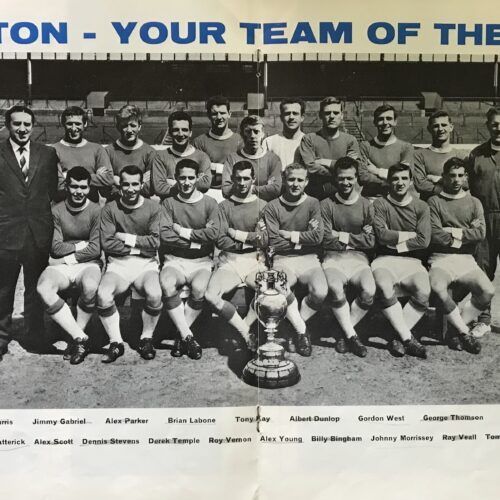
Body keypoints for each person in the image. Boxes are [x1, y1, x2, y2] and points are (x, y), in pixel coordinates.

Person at [0, 105, 58, 360]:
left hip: (37, 232)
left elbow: (52, 191)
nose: (22, 129)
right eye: (17, 124)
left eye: (27, 124)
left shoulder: (47, 154)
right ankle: (1, 337)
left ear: (33, 126)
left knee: (35, 288)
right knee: (4, 289)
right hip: (6, 232)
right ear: (7, 126)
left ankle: (35, 335)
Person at [36, 167, 102, 364]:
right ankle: (79, 338)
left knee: (90, 286)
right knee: (43, 288)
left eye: (83, 187)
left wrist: (67, 257)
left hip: (87, 264)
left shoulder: (96, 211)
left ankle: (76, 340)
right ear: (66, 186)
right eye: (74, 187)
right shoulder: (56, 210)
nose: (78, 192)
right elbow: (55, 247)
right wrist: (82, 245)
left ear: (89, 188)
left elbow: (95, 249)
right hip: (62, 266)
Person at [97, 165, 162, 362]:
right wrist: (139, 247)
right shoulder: (110, 208)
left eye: (135, 184)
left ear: (142, 185)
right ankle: (116, 342)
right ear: (120, 186)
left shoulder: (153, 207)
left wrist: (125, 237)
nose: (131, 189)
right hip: (118, 264)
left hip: (145, 264)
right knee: (103, 295)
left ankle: (146, 338)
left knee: (155, 294)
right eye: (126, 184)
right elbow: (107, 243)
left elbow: (155, 242)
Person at [428, 158, 491, 354]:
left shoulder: (474, 202)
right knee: (438, 287)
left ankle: (456, 329)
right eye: (452, 175)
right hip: (440, 258)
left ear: (466, 177)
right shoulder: (434, 201)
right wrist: (465, 233)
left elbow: (480, 234)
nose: (456, 180)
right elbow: (435, 234)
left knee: (487, 291)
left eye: (460, 175)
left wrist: (451, 231)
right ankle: (464, 332)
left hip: (466, 259)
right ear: (444, 177)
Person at [263, 163, 327, 356]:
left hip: (309, 258)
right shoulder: (272, 206)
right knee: (278, 286)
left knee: (320, 292)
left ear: (306, 182)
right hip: (282, 259)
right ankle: (301, 331)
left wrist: (290, 235)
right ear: (284, 180)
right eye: (291, 179)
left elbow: (317, 237)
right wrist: (303, 238)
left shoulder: (313, 203)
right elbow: (274, 242)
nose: (295, 184)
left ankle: (295, 327)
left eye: (300, 180)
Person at [205, 160, 268, 351]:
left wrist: (237, 235)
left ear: (253, 179)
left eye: (246, 178)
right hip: (230, 261)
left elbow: (265, 240)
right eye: (238, 179)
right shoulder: (224, 206)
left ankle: (244, 330)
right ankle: (245, 333)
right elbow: (221, 240)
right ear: (232, 179)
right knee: (210, 296)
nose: (242, 183)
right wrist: (250, 239)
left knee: (268, 291)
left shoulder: (263, 205)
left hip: (255, 260)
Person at [160, 159, 218, 360]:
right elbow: (165, 235)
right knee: (166, 284)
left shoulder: (209, 203)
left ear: (198, 178)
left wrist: (181, 231)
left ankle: (180, 336)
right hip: (174, 259)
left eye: (190, 178)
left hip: (202, 261)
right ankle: (187, 336)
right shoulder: (168, 203)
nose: (186, 182)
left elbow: (213, 234)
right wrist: (196, 241)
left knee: (199, 289)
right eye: (182, 178)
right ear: (176, 178)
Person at [372, 163, 430, 359]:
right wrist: (409, 235)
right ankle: (407, 337)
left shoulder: (421, 206)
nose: (400, 182)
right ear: (389, 181)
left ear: (411, 181)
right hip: (384, 259)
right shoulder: (380, 204)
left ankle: (397, 336)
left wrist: (396, 243)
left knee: (424, 291)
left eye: (404, 178)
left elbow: (423, 240)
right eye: (395, 179)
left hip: (412, 261)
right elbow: (381, 236)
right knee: (383, 285)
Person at [320, 157, 375, 357]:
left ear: (357, 178)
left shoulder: (366, 205)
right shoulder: (326, 204)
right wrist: (357, 237)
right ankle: (352, 336)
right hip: (333, 258)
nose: (345, 182)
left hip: (359, 259)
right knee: (335, 288)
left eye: (350, 178)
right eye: (341, 178)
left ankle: (344, 332)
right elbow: (326, 239)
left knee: (369, 291)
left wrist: (341, 236)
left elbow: (371, 241)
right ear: (335, 179)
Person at [467, 106, 500, 337]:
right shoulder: (476, 154)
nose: (499, 128)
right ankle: (483, 319)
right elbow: (466, 187)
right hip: (485, 218)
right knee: (483, 270)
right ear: (488, 126)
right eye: (495, 124)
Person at [296, 96, 359, 200]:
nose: (332, 116)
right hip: (316, 196)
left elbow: (354, 168)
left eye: (336, 113)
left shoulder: (351, 140)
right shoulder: (308, 139)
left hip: (344, 196)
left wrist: (325, 162)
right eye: (327, 113)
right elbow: (310, 167)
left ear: (342, 115)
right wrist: (341, 172)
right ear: (320, 115)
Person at [53, 106, 114, 202]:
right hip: (63, 206)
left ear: (85, 124)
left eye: (78, 124)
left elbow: (109, 179)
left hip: (91, 206)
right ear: (63, 124)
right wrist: (94, 176)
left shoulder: (97, 149)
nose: (74, 128)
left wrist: (67, 175)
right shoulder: (53, 150)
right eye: (69, 124)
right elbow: (57, 184)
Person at [151, 111, 211, 199]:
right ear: (170, 132)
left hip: (194, 205)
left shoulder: (202, 157)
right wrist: (193, 181)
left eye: (184, 130)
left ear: (190, 132)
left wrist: (173, 183)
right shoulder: (160, 157)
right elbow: (159, 189)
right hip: (169, 206)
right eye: (176, 130)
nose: (180, 134)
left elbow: (205, 185)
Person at [221, 115, 282, 202]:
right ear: (242, 134)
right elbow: (226, 190)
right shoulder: (232, 158)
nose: (252, 136)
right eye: (248, 131)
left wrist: (250, 188)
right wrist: (264, 188)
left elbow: (275, 189)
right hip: (239, 206)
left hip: (265, 206)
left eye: (256, 131)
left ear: (263, 134)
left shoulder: (273, 159)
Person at [359, 104, 413, 199]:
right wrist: (393, 181)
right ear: (375, 122)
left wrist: (376, 171)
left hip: (396, 199)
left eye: (389, 118)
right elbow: (363, 176)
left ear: (395, 122)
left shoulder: (406, 147)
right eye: (381, 119)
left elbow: (407, 176)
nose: (385, 122)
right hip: (371, 197)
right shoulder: (365, 146)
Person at [105, 104, 158, 199]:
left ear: (139, 126)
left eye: (133, 125)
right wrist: (139, 181)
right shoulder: (108, 152)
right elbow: (105, 189)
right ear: (118, 127)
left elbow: (150, 188)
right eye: (125, 126)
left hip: (142, 204)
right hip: (116, 204)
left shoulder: (150, 152)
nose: (129, 130)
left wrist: (117, 180)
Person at [413, 111, 468, 201]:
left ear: (451, 127)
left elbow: (467, 184)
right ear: (429, 129)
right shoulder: (419, 155)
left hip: (455, 206)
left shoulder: (461, 156)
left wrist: (439, 179)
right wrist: (452, 185)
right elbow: (420, 184)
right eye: (436, 126)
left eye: (444, 125)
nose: (440, 129)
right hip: (429, 206)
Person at [192, 96, 242, 193]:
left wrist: (213, 167)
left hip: (233, 192)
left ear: (229, 114)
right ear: (208, 115)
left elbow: (242, 172)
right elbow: (196, 173)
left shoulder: (240, 141)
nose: (219, 117)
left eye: (222, 113)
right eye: (215, 114)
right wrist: (228, 169)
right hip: (206, 192)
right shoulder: (198, 142)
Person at [263, 98, 305, 169]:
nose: (291, 117)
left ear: (302, 117)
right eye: (287, 113)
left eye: (295, 113)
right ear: (281, 117)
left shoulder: (309, 142)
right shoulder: (269, 142)